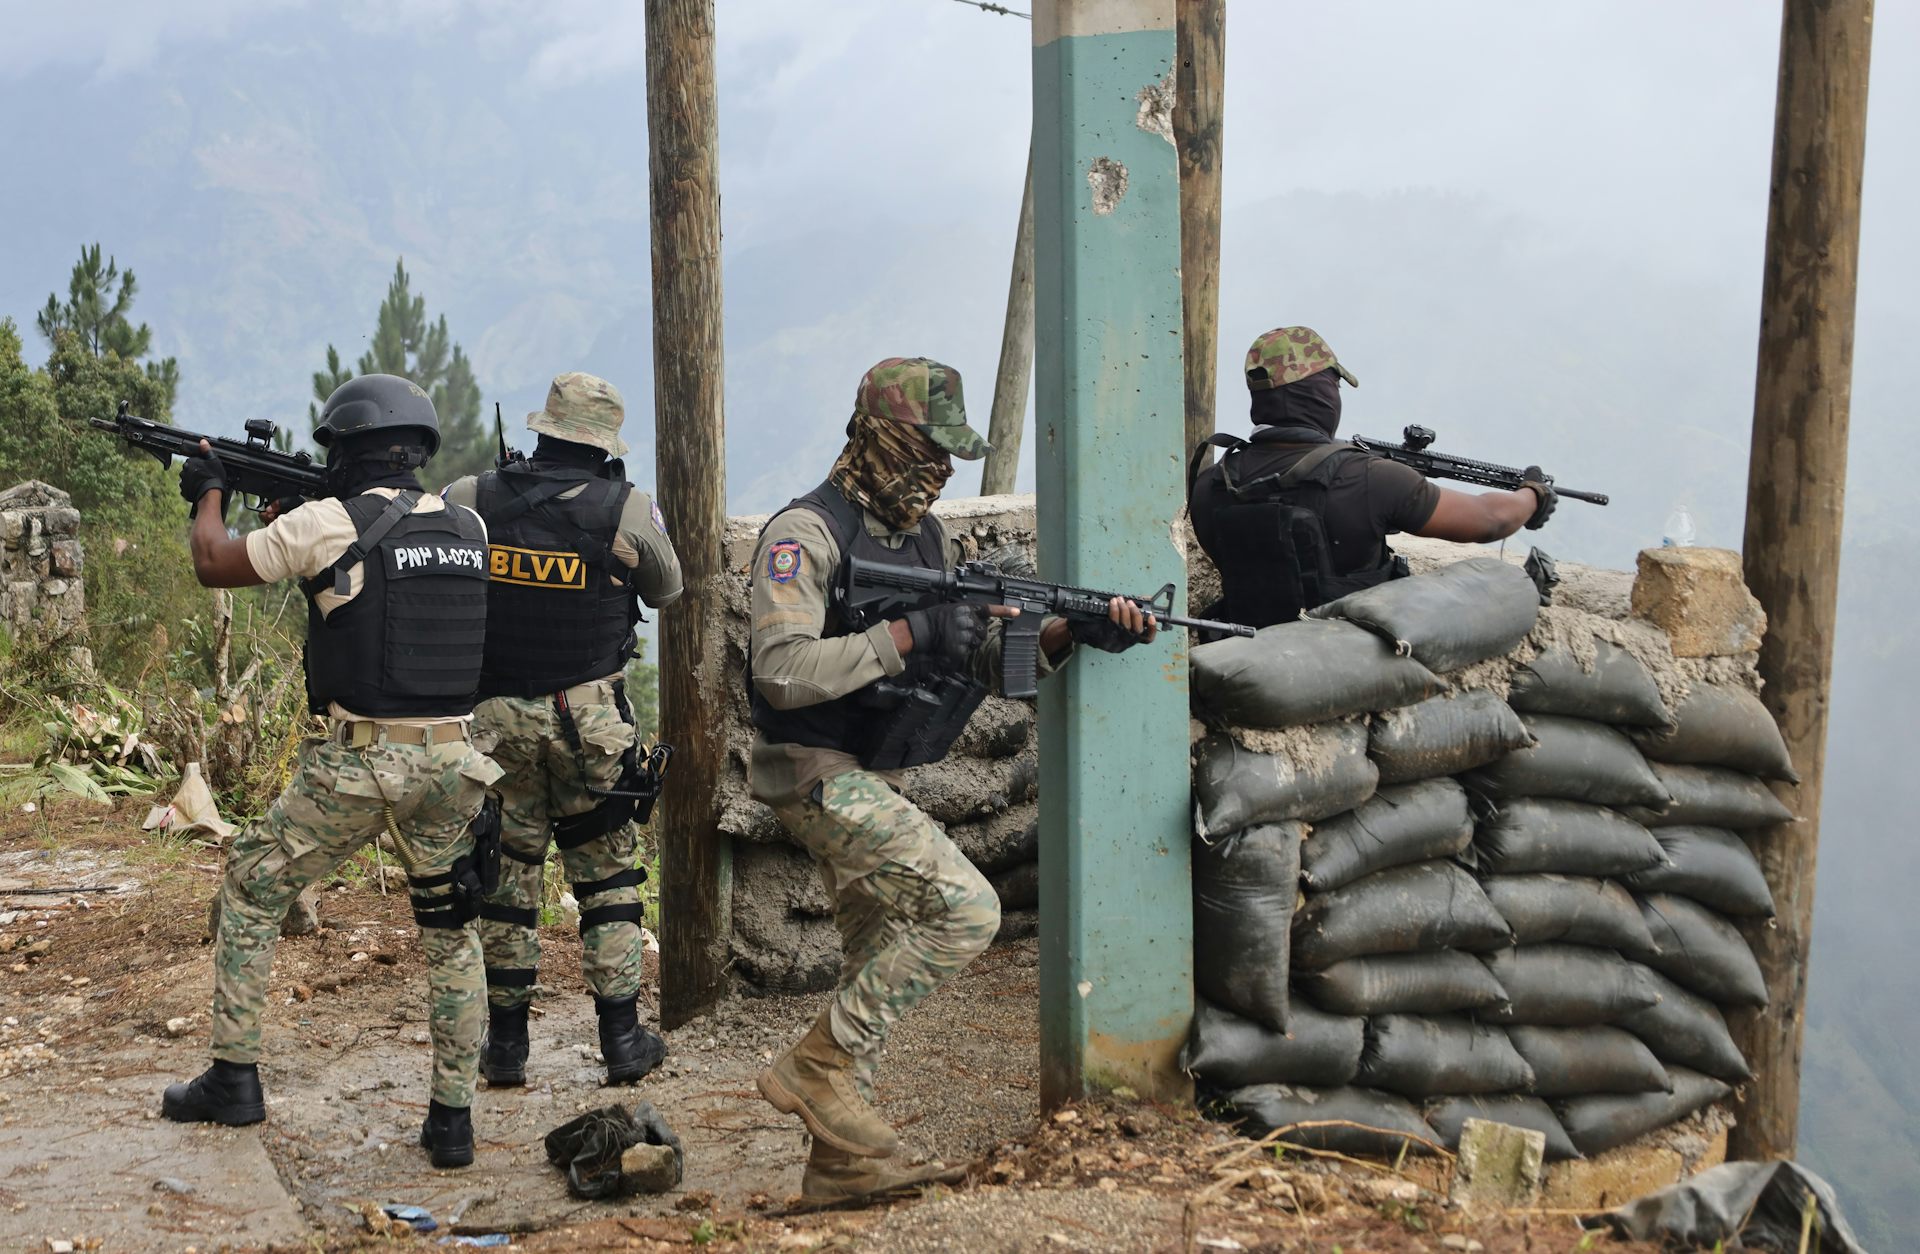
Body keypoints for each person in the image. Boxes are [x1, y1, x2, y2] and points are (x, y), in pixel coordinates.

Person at [747, 357, 1156, 1203]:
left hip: (869, 772)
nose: (939, 475)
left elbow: (974, 654)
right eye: (926, 452)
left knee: (871, 963)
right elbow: (780, 672)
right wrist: (911, 633)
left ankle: (840, 1166)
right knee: (970, 909)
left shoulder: (925, 539)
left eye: (949, 460)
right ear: (881, 436)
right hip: (810, 770)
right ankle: (810, 1068)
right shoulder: (806, 534)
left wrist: (1075, 633)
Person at [160, 375, 501, 1170]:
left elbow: (215, 562)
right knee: (452, 933)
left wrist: (210, 489)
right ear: (418, 450)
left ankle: (234, 1080)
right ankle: (452, 1123)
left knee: (251, 883)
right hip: (456, 761)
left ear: (343, 450)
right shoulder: (469, 525)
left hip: (362, 759)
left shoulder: (326, 522)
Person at [440, 372, 683, 1089]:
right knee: (607, 877)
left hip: (493, 720)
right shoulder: (628, 508)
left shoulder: (471, 497)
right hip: (590, 721)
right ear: (604, 447)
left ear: (541, 430)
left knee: (506, 877)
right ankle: (621, 1043)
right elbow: (668, 590)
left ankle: (507, 1049)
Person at [1189, 327, 1557, 627]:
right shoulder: (1367, 479)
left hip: (1256, 647)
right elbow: (1490, 521)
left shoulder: (1210, 485)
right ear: (1322, 393)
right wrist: (1532, 495)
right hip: (1354, 655)